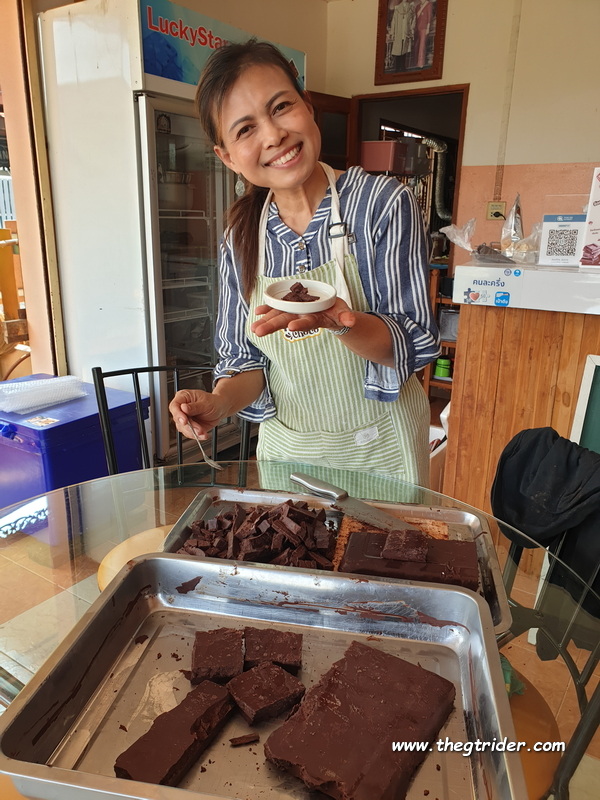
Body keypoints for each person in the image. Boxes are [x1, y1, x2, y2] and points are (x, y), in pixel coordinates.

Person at [169, 39, 440, 487]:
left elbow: (411, 343)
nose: (273, 135)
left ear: (308, 106)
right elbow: (246, 362)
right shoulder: (240, 238)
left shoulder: (382, 204)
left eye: (281, 107)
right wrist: (219, 404)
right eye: (245, 129)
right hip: (288, 452)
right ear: (227, 158)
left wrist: (341, 322)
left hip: (380, 449)